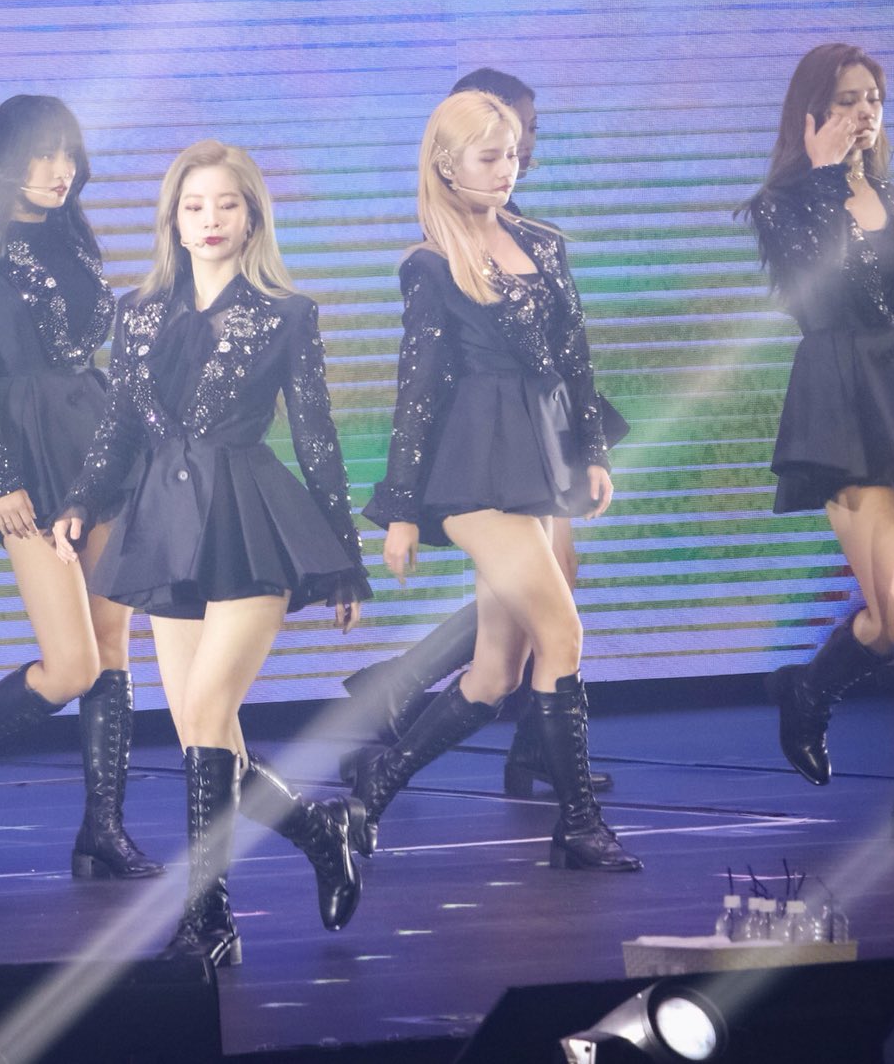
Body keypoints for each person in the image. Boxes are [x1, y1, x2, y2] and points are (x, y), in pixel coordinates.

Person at [52, 140, 371, 967]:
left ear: (253, 216)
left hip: (250, 520)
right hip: (165, 527)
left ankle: (207, 920)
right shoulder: (137, 314)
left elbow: (317, 440)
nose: (210, 220)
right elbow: (118, 429)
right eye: (194, 206)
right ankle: (319, 831)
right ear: (173, 219)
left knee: (205, 719)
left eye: (227, 203)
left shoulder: (286, 314)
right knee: (204, 731)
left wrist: (345, 557)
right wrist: (81, 500)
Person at [356, 90, 639, 873]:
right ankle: (578, 823)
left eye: (512, 154)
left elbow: (574, 354)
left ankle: (377, 782)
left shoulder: (541, 243)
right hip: (476, 466)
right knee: (563, 633)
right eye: (490, 157)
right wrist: (401, 510)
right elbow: (417, 391)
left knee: (495, 671)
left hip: (540, 453)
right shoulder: (430, 265)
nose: (507, 169)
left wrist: (593, 451)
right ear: (447, 165)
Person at [0, 96, 161, 880]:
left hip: (97, 440)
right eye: (45, 155)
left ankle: (102, 830)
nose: (61, 172)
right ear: (7, 158)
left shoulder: (74, 235)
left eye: (69, 155)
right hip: (23, 451)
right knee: (71, 665)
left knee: (112, 650)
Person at [743, 44, 894, 841]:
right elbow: (823, 296)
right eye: (845, 99)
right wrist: (819, 181)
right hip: (842, 406)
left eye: (872, 97)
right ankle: (809, 689)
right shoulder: (783, 204)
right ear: (812, 113)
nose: (863, 112)